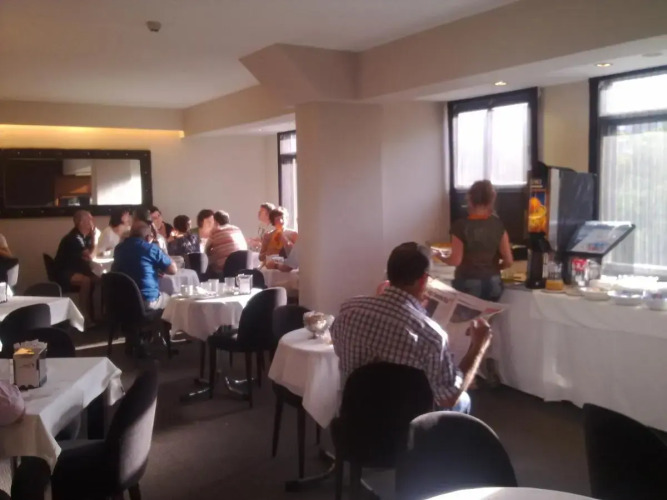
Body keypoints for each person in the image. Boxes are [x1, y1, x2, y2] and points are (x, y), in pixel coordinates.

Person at [331, 242, 493, 413]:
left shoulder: (349, 309)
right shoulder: (431, 335)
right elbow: (449, 398)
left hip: (355, 414)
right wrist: (478, 347)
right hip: (406, 424)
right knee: (463, 400)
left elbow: (339, 347)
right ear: (423, 280)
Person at [436, 180, 514, 302]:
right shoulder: (498, 225)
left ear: (469, 199)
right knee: (490, 314)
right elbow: (508, 261)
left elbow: (456, 260)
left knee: (467, 315)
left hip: (468, 282)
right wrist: (494, 269)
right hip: (493, 282)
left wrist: (441, 257)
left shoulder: (460, 226)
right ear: (491, 200)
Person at [112, 221, 176, 311]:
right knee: (174, 301)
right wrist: (161, 251)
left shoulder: (119, 248)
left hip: (121, 300)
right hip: (146, 301)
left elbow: (134, 266)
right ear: (148, 237)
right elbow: (173, 270)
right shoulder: (151, 249)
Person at [54, 210, 98, 325]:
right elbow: (90, 256)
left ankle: (96, 314)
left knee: (98, 279)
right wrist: (94, 239)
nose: (92, 222)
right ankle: (83, 316)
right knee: (86, 280)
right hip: (64, 272)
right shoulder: (74, 238)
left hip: (75, 269)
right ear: (81, 222)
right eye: (90, 219)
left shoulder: (84, 237)